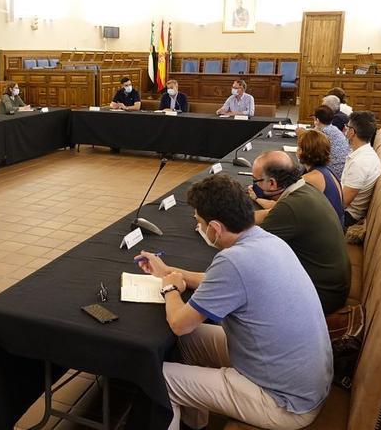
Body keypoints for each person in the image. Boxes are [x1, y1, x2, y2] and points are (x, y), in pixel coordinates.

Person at [135, 174, 331, 430]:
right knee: (184, 344)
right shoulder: (268, 241)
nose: (198, 226)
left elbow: (179, 324)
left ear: (214, 228)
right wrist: (169, 271)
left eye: (199, 222)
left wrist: (170, 287)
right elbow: (216, 281)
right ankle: (196, 424)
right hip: (300, 381)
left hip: (284, 402)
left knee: (161, 378)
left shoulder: (233, 261)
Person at [246, 151, 350, 313]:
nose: (254, 185)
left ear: (272, 183)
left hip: (321, 297)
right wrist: (235, 217)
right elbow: (268, 215)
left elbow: (249, 249)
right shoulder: (305, 189)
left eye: (256, 181)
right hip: (332, 287)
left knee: (247, 285)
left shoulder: (290, 207)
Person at [341, 111, 381, 228]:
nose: (345, 130)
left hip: (346, 217)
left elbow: (342, 203)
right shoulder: (363, 153)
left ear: (352, 132)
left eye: (347, 127)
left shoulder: (360, 162)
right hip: (346, 211)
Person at [295, 130, 345, 226]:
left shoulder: (311, 179)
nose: (297, 150)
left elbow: (281, 206)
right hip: (334, 229)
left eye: (299, 148)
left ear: (302, 152)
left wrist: (257, 198)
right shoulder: (327, 171)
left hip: (327, 234)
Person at [298, 105, 350, 179]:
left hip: (331, 172)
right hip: (341, 171)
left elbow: (308, 151)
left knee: (306, 159)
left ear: (317, 120)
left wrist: (301, 135)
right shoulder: (334, 129)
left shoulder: (322, 133)